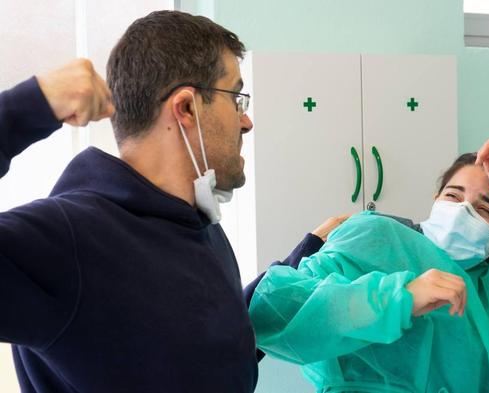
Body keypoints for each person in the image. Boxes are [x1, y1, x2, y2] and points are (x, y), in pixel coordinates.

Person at [0, 11, 344, 393]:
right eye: (237, 99)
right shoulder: (68, 238)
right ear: (186, 108)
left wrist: (305, 254)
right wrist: (26, 108)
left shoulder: (199, 227)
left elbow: (209, 343)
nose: (245, 122)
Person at [249, 134, 489, 393]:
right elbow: (273, 312)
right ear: (435, 198)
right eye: (454, 196)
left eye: (486, 210)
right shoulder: (375, 237)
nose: (463, 212)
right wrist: (398, 298)